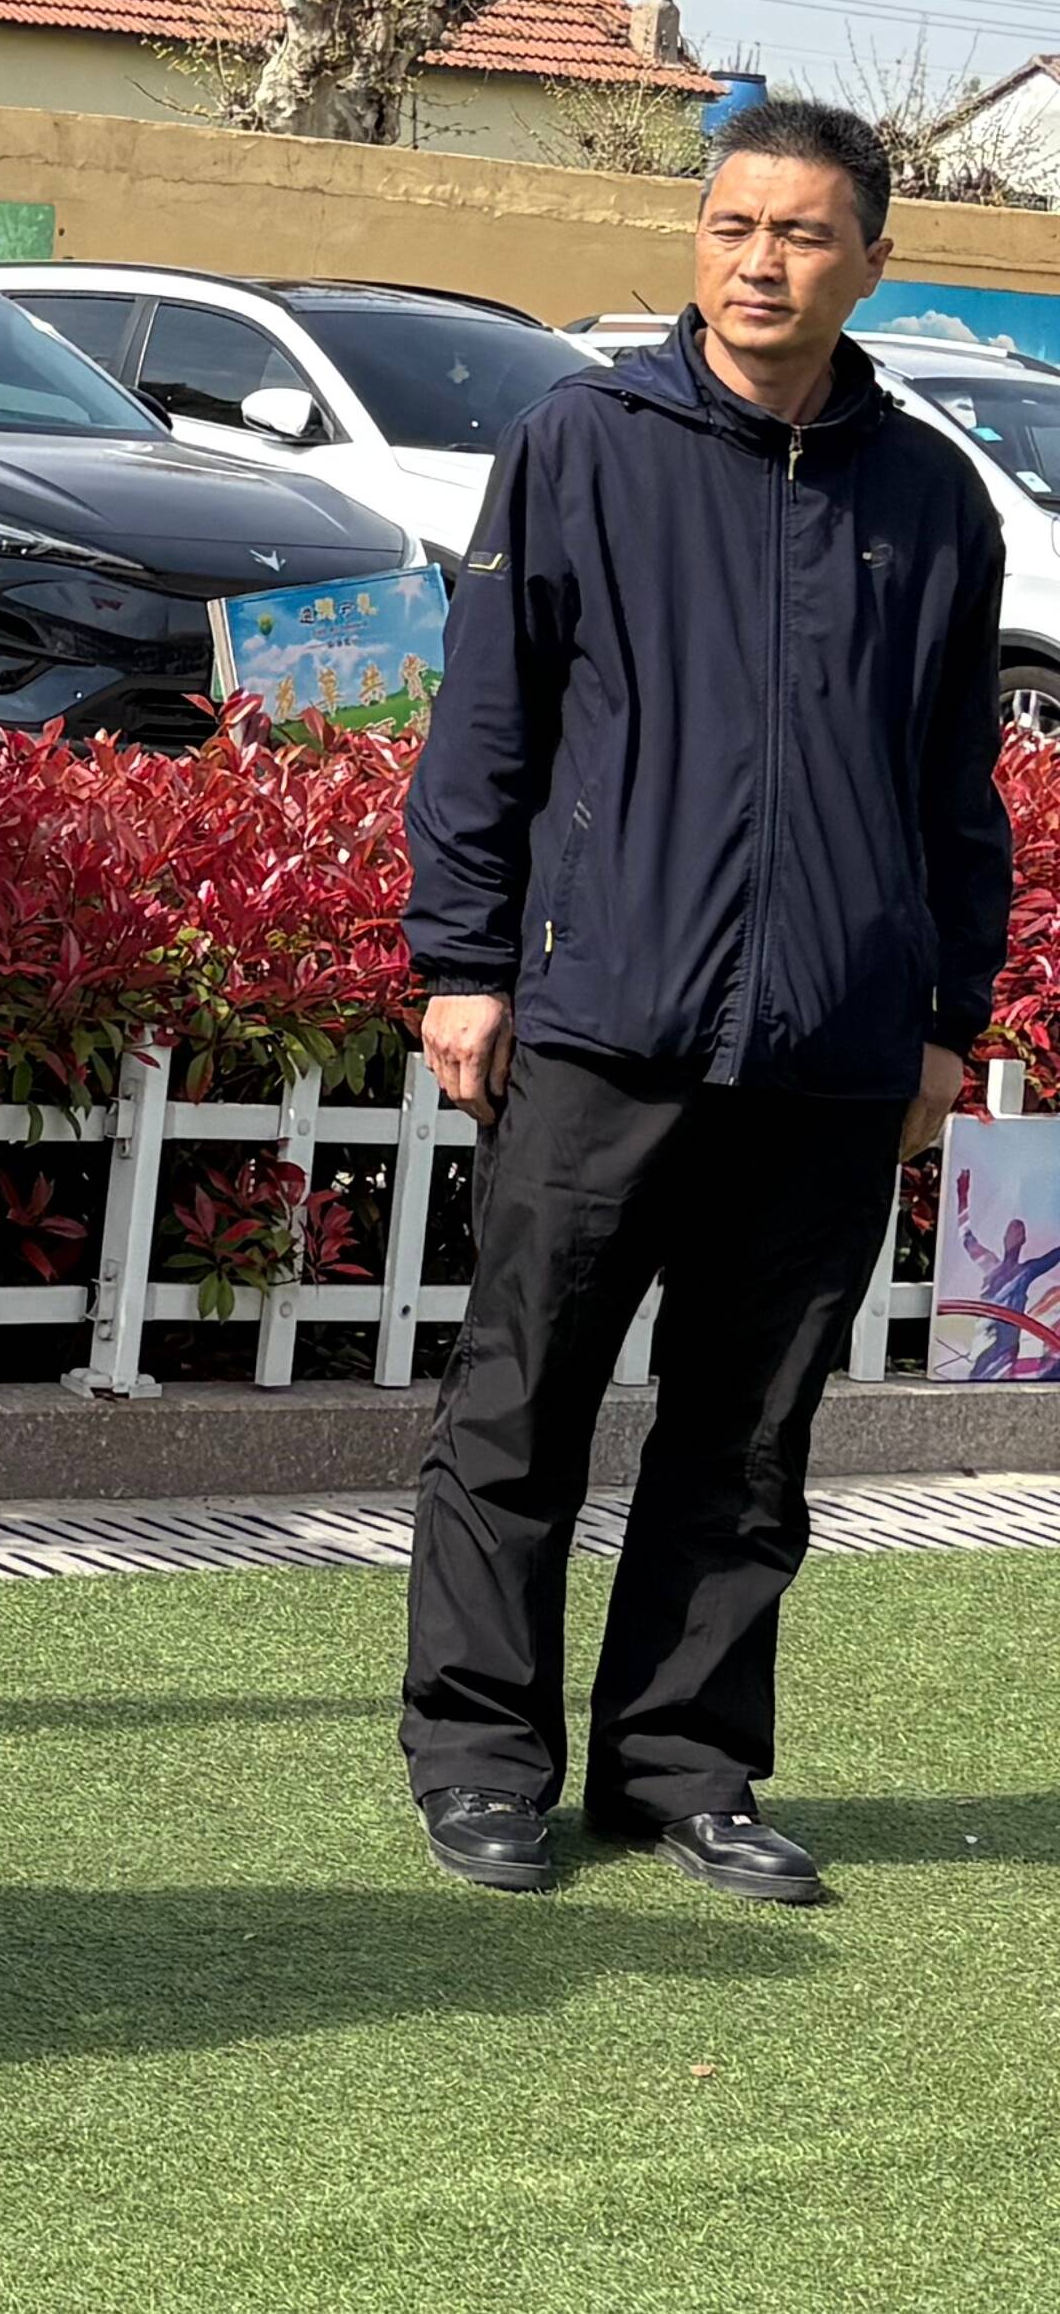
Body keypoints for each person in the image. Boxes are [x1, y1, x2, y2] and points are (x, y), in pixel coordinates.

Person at [396, 95, 1003, 1907]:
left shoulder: (932, 497)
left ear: (871, 263)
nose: (760, 261)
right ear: (699, 243)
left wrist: (945, 1019)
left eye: (804, 233)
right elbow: (487, 727)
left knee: (749, 1437)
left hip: (831, 1051)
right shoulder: (584, 445)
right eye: (734, 225)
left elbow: (957, 794)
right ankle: (483, 1762)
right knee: (521, 1413)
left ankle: (682, 1770)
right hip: (600, 1026)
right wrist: (466, 960)